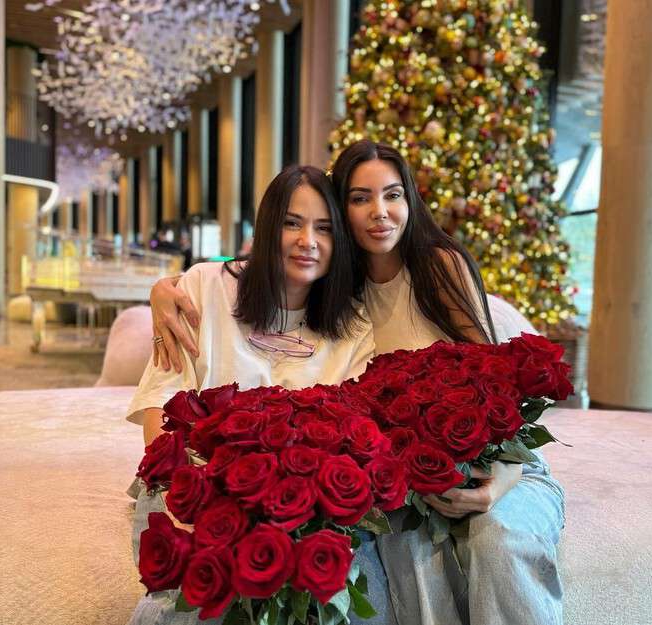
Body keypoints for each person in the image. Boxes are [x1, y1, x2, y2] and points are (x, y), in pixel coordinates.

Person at [150, 141, 566, 625]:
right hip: (414, 475)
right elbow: (249, 278)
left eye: (393, 195)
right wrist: (164, 289)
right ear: (341, 210)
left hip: (495, 461)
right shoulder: (339, 290)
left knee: (498, 541)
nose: (379, 212)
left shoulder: (436, 266)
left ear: (410, 200)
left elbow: (497, 387)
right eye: (360, 198)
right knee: (387, 552)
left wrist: (504, 478)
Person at [126, 164, 396, 625]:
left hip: (300, 504)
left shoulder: (354, 327)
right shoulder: (203, 288)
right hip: (191, 483)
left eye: (324, 228)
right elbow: (160, 402)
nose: (308, 241)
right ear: (268, 227)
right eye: (292, 223)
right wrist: (186, 492)